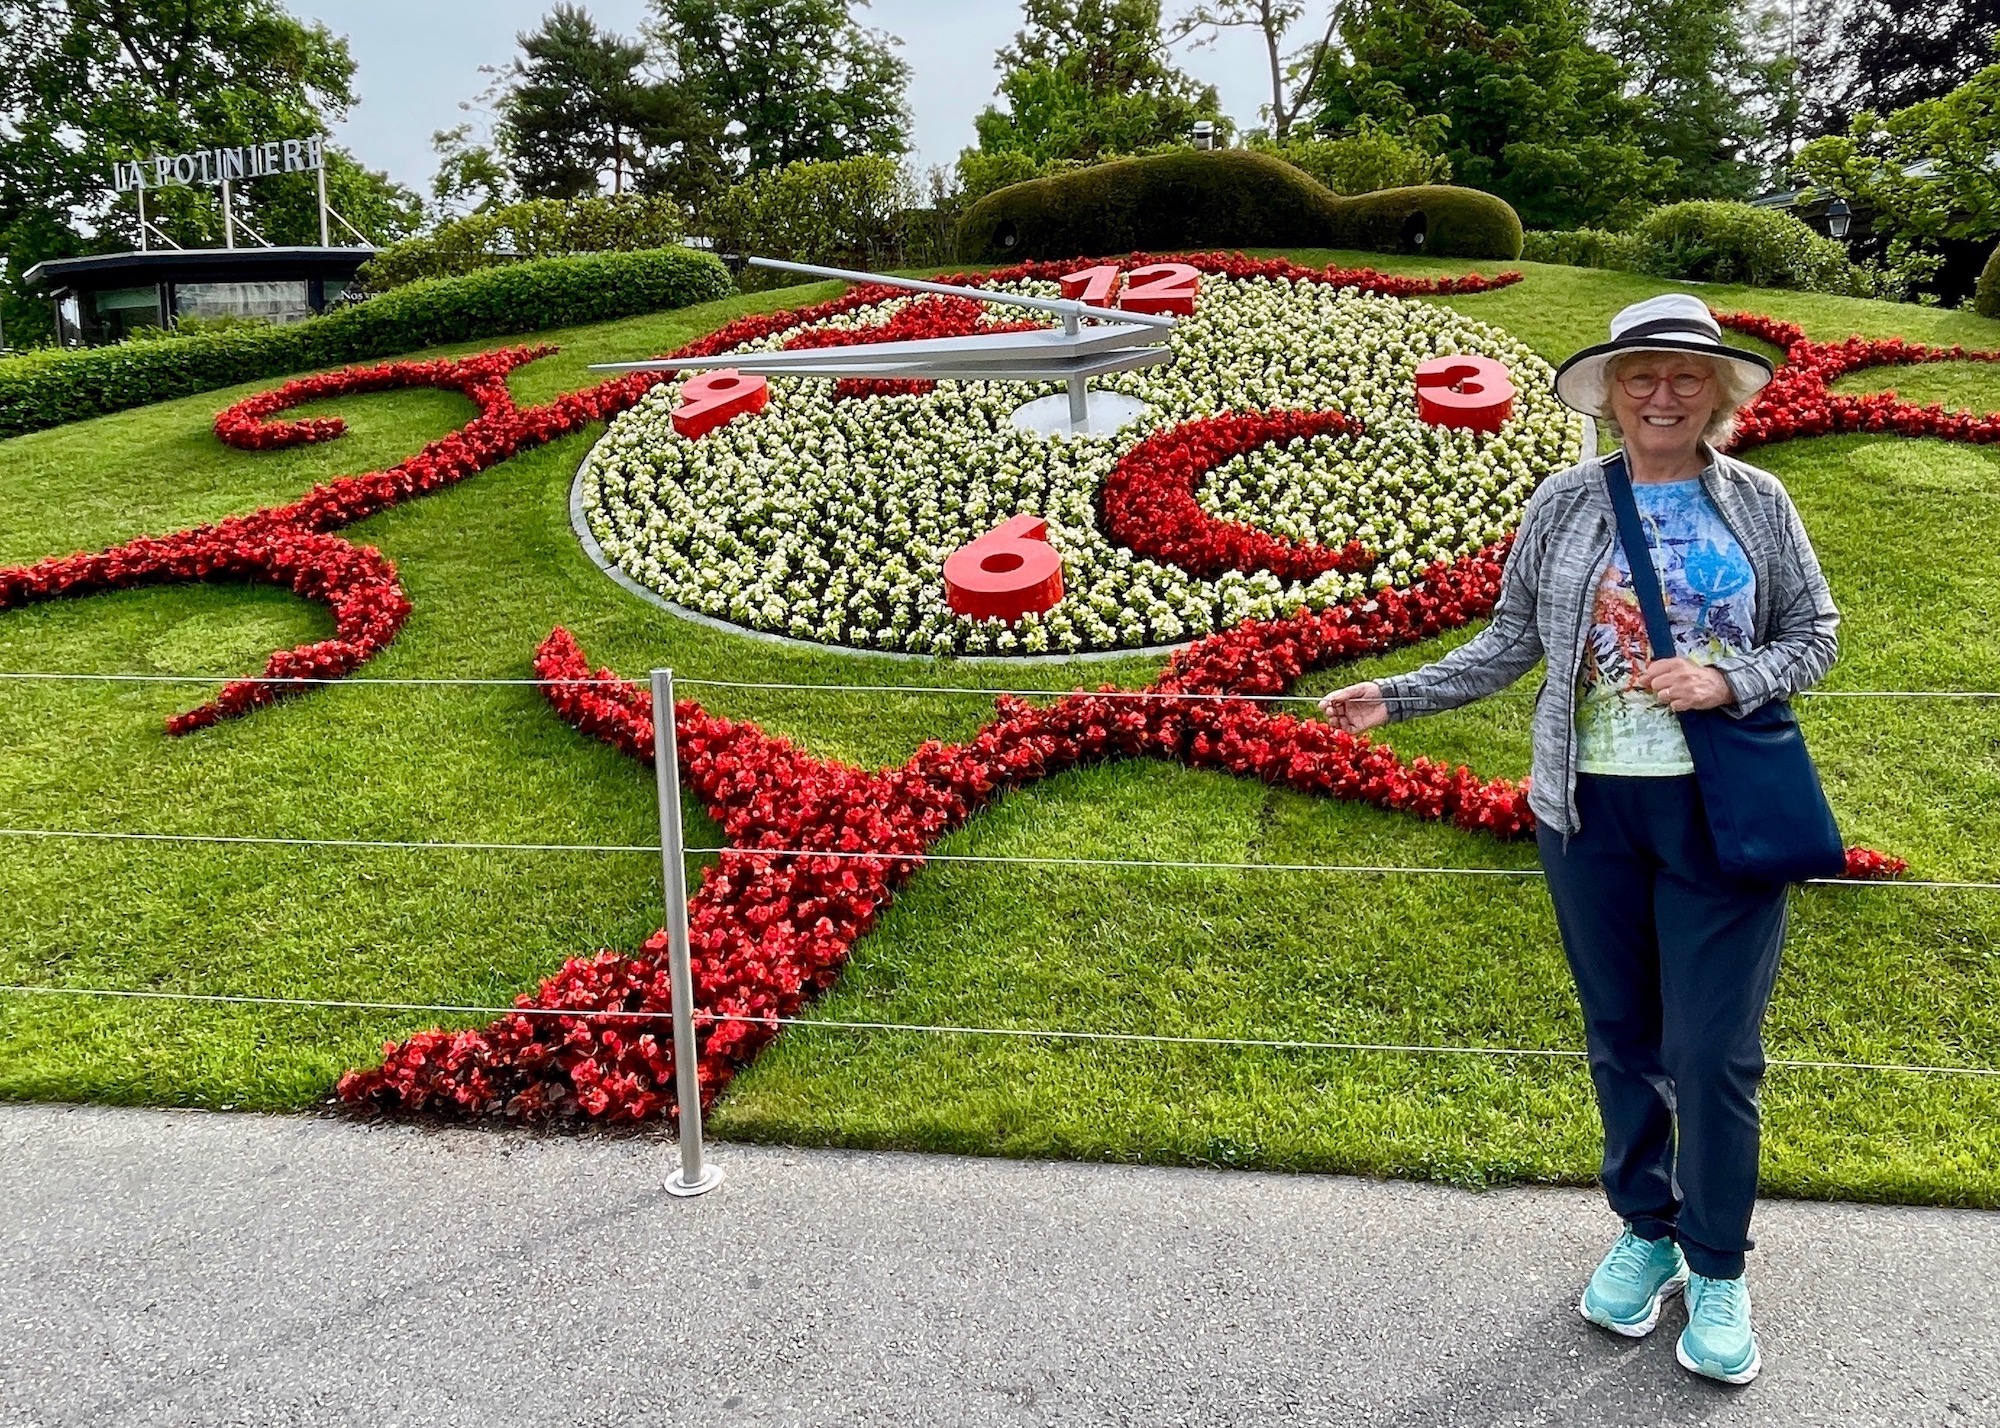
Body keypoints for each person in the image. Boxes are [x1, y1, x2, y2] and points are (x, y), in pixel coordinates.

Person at [1319, 293, 1839, 1386]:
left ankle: (1716, 1262)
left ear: (1717, 394)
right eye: (1638, 377)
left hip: (1717, 813)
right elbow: (1510, 642)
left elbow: (1812, 633)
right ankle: (1644, 1230)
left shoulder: (1756, 501)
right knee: (1621, 1036)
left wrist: (1725, 675)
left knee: (1713, 1054)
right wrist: (1397, 698)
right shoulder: (1562, 503)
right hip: (1586, 812)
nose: (1660, 395)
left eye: (1683, 378)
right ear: (1607, 392)